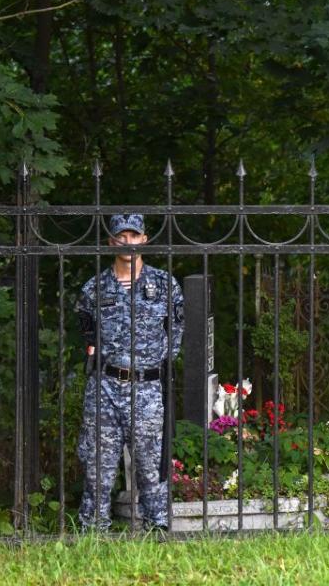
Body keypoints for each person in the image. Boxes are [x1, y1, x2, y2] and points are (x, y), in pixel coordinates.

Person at [76, 213, 184, 531]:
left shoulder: (165, 285)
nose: (127, 242)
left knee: (151, 468)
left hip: (148, 389)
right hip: (105, 388)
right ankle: (94, 532)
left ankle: (158, 530)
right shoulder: (94, 289)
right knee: (98, 467)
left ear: (144, 239)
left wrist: (151, 365)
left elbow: (175, 335)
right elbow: (87, 334)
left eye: (133, 235)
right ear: (111, 241)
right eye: (121, 236)